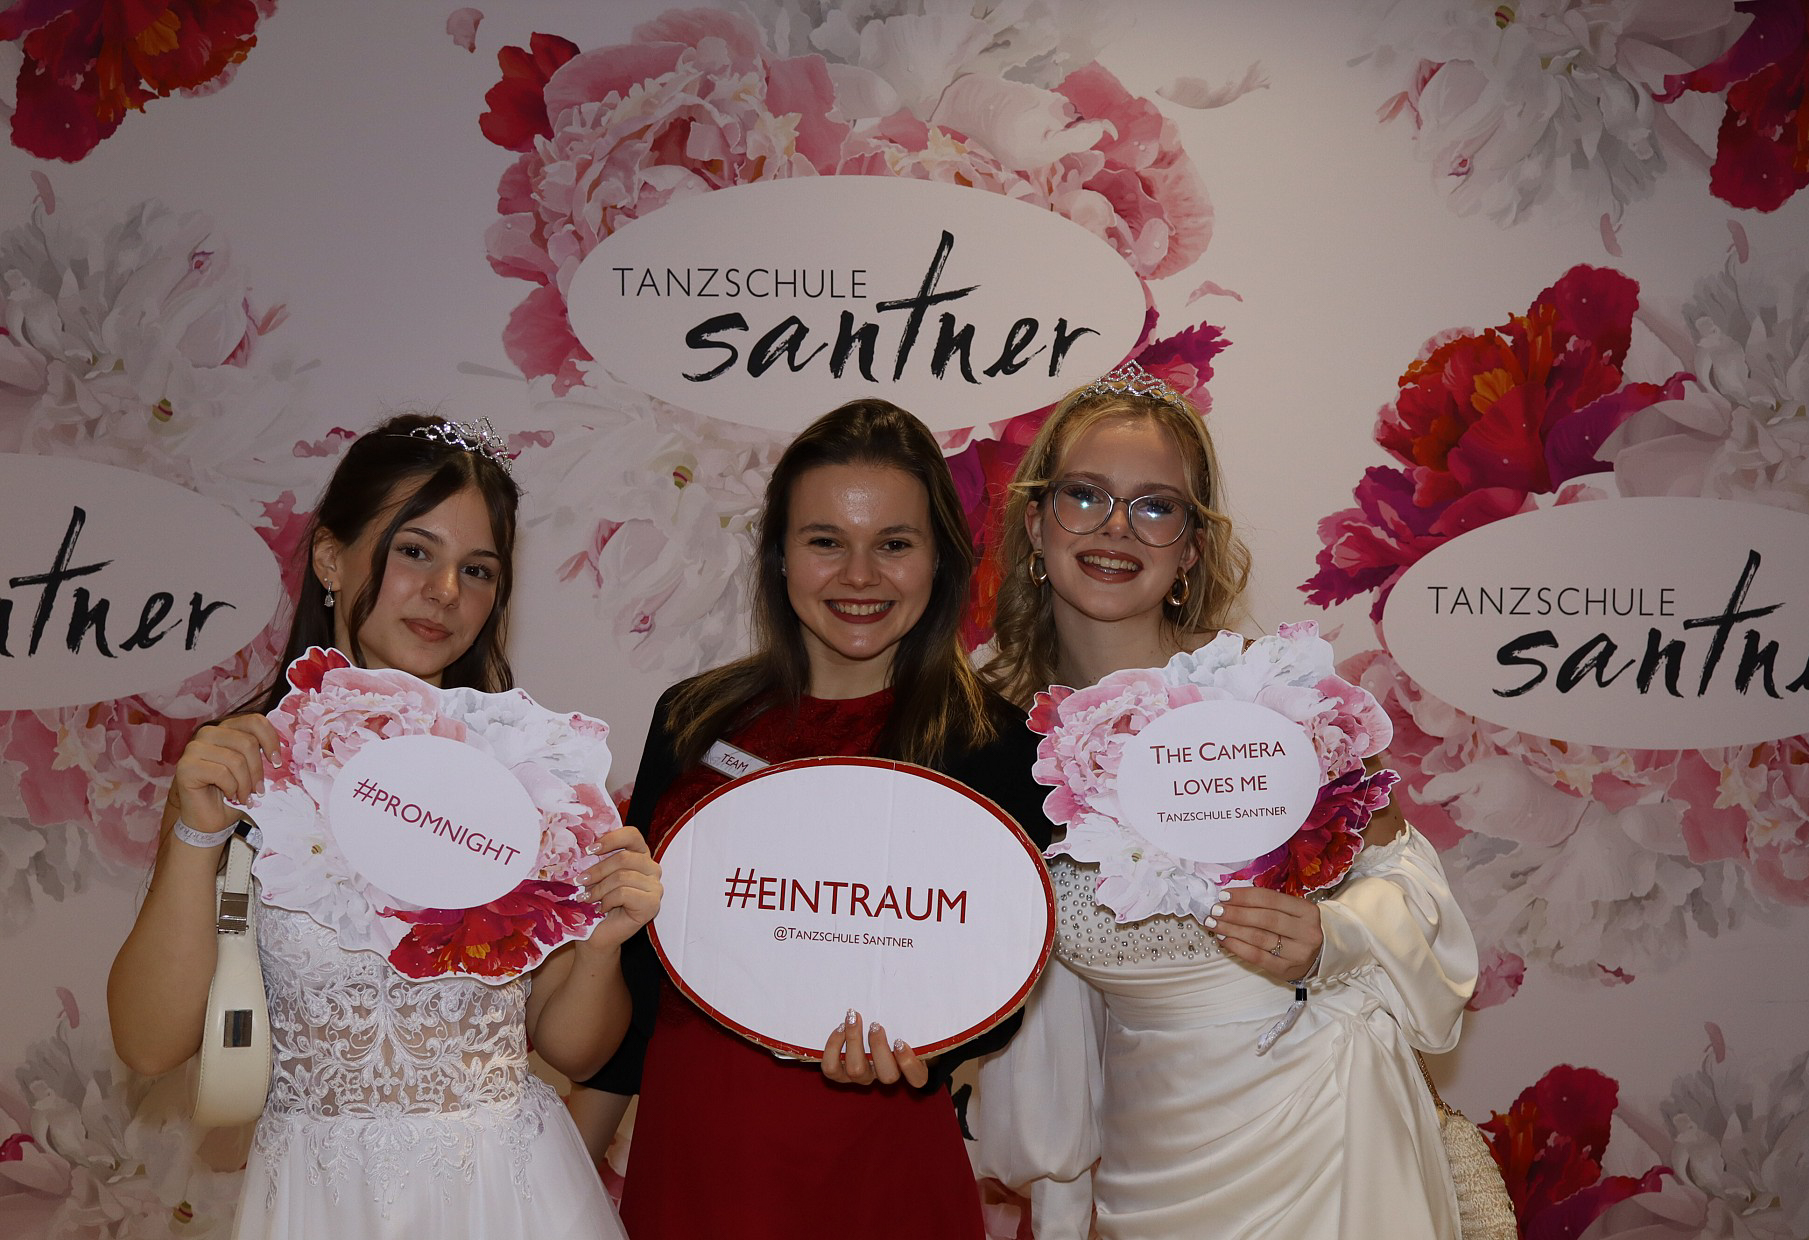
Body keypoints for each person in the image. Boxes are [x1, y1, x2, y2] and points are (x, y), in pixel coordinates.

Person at [108, 412, 659, 1239]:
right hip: (321, 1200)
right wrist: (196, 836)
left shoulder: (523, 778)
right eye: (415, 551)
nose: (447, 592)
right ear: (331, 558)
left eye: (478, 569)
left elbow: (574, 1050)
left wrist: (603, 943)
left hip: (509, 1197)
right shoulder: (249, 768)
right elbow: (148, 1045)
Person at [974, 363, 1479, 1239]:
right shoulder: (987, 736)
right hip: (1145, 1160)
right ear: (1035, 522)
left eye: (1155, 506)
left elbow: (1409, 882)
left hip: (1326, 1141)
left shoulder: (1270, 699)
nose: (1115, 528)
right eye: (1084, 495)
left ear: (1191, 548)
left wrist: (1333, 937)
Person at [574, 399, 1051, 1240]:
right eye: (826, 541)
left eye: (894, 544)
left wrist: (927, 1048)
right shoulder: (692, 720)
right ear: (780, 556)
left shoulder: (1000, 750)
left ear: (941, 558)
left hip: (881, 1175)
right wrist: (554, 1187)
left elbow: (999, 990)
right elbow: (640, 995)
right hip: (694, 1166)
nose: (859, 576)